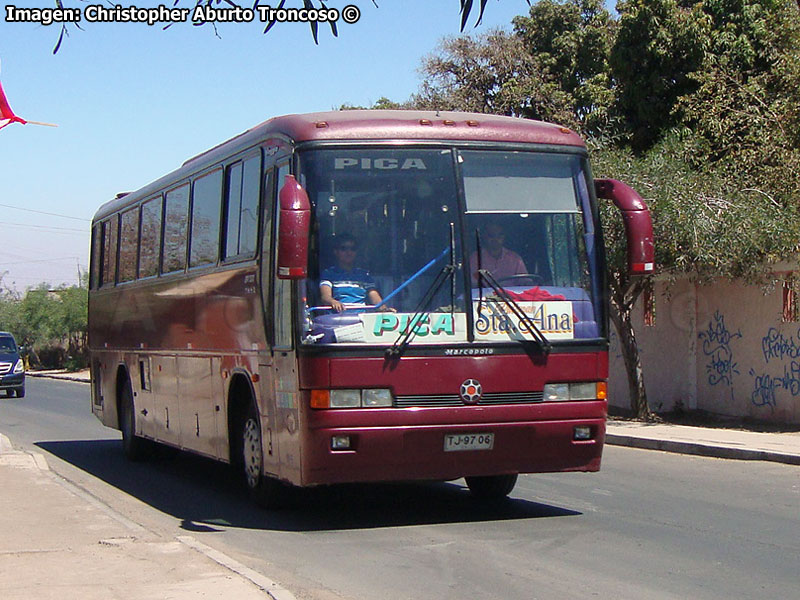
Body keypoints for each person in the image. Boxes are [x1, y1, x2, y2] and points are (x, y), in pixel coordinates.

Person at [319, 234, 387, 312]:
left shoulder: (364, 275)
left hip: (361, 319)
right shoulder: (328, 274)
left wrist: (384, 309)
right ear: (336, 252)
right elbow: (325, 297)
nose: (349, 252)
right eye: (343, 249)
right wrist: (333, 302)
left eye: (353, 249)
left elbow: (374, 295)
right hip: (337, 320)